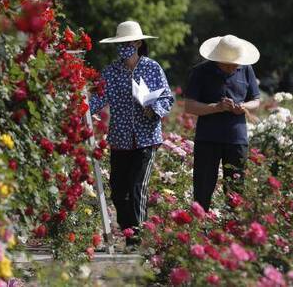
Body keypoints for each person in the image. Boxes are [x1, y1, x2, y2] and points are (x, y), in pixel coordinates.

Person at [89, 20, 174, 247]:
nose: (125, 46)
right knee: (118, 191)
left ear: (137, 43)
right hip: (120, 139)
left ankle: (136, 239)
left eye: (128, 42)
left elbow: (167, 98)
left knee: (138, 188)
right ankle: (128, 233)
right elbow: (96, 100)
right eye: (121, 43)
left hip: (146, 138)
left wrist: (153, 109)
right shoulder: (111, 72)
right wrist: (79, 107)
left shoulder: (152, 68)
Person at [183, 34, 261, 211]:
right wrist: (216, 107)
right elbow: (190, 106)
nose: (233, 67)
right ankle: (199, 230)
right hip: (208, 138)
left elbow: (256, 101)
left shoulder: (246, 69)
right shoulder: (200, 71)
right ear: (218, 59)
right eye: (229, 64)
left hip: (237, 138)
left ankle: (231, 232)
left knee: (235, 188)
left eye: (236, 64)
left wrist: (243, 106)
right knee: (203, 188)